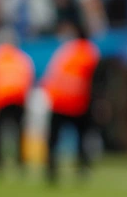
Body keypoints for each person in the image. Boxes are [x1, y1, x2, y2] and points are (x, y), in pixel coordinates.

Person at [41, 21, 100, 185]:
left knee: (54, 138)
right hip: (78, 101)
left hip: (59, 100)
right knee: (82, 137)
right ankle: (83, 168)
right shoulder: (89, 51)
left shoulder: (65, 50)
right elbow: (94, 80)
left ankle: (51, 169)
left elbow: (51, 74)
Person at [0, 30, 35, 178]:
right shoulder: (23, 57)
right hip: (19, 98)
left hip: (1, 97)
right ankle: (20, 163)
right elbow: (29, 79)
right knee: (19, 132)